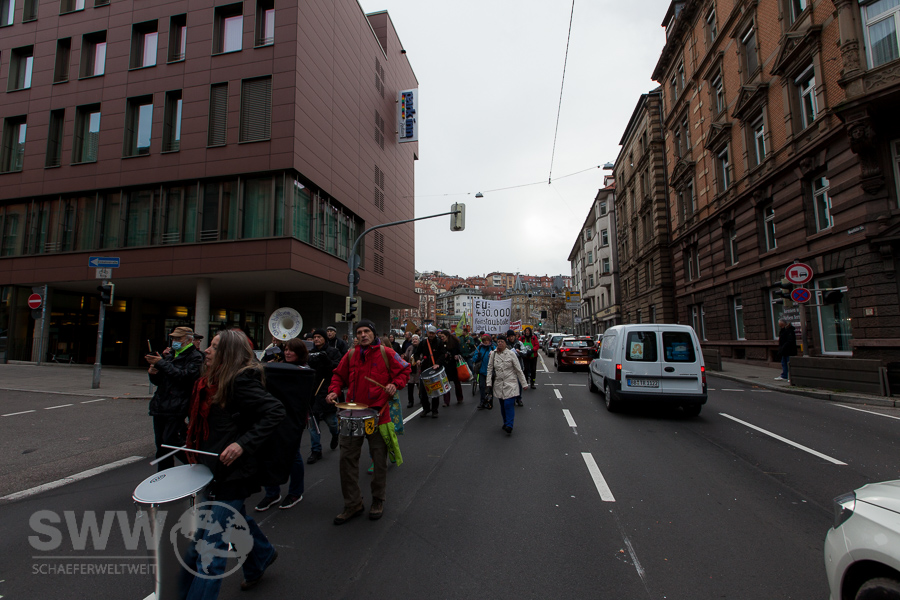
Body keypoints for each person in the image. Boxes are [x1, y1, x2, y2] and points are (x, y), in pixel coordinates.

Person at [182, 329, 284, 596]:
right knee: (234, 520)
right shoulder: (209, 380)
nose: (207, 350)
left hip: (234, 473)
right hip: (212, 468)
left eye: (215, 347)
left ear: (228, 354)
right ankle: (261, 556)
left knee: (210, 548)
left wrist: (242, 444)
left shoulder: (240, 382)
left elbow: (275, 411)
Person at [326, 320, 410, 524]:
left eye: (366, 331)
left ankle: (378, 500)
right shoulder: (351, 354)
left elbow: (405, 370)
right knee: (347, 460)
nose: (363, 335)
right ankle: (353, 504)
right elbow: (338, 376)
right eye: (359, 332)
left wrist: (395, 384)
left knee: (379, 461)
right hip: (353, 415)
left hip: (378, 415)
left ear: (373, 334)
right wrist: (334, 390)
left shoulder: (386, 353)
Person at [255, 338, 310, 511]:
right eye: (286, 349)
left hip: (293, 419)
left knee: (293, 455)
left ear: (300, 352)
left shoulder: (304, 371)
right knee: (269, 452)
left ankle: (295, 492)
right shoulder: (276, 366)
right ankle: (272, 493)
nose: (287, 352)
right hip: (273, 417)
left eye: (291, 350)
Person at [145, 326, 204, 472]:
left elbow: (184, 377)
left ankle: (195, 466)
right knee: (161, 444)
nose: (175, 341)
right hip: (161, 404)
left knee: (170, 441)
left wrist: (162, 363)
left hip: (178, 405)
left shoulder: (195, 357)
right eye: (173, 338)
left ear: (189, 340)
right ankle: (164, 474)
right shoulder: (171, 355)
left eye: (178, 338)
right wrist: (153, 373)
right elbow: (161, 381)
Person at [306, 329, 342, 464]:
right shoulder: (310, 353)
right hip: (312, 392)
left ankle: (335, 434)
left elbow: (338, 368)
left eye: (319, 337)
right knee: (313, 425)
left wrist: (327, 360)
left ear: (324, 338)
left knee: (331, 421)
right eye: (314, 337)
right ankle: (316, 450)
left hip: (327, 390)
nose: (316, 339)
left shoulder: (333, 352)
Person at [486, 336, 527, 436]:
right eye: (498, 341)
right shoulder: (493, 354)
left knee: (508, 404)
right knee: (503, 405)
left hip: (510, 383)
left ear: (505, 343)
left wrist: (524, 383)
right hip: (499, 383)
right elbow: (490, 369)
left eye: (502, 341)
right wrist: (488, 383)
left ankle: (509, 425)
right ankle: (505, 422)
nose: (500, 343)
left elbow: (518, 370)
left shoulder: (511, 354)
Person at [414, 325, 447, 417]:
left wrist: (438, 363)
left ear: (435, 333)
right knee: (423, 392)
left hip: (435, 369)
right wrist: (418, 360)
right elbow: (416, 353)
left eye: (433, 333)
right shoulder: (423, 342)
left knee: (435, 391)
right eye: (430, 333)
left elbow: (443, 354)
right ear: (427, 333)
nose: (431, 335)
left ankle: (434, 410)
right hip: (425, 370)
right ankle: (426, 409)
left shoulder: (439, 342)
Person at [439, 330, 465, 405]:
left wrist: (457, 355)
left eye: (443, 336)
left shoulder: (455, 342)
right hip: (445, 366)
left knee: (457, 383)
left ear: (447, 336)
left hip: (454, 365)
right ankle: (446, 401)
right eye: (441, 337)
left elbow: (459, 352)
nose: (442, 338)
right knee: (446, 383)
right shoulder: (441, 343)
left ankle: (459, 398)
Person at [471, 334, 496, 409]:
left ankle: (489, 402)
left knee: (490, 387)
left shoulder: (493, 347)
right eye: (484, 340)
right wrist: (478, 356)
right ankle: (482, 401)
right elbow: (474, 359)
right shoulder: (479, 347)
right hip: (482, 370)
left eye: (487, 340)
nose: (486, 342)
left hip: (490, 371)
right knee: (482, 386)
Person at [506, 329, 526, 406]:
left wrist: (519, 352)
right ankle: (512, 398)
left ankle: (519, 398)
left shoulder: (519, 343)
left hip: (518, 366)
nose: (511, 338)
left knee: (519, 383)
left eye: (512, 336)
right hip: (508, 367)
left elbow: (524, 352)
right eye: (509, 336)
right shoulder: (505, 344)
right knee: (510, 384)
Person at [403, 334, 420, 408]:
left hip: (418, 369)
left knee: (420, 386)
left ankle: (422, 398)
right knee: (410, 387)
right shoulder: (410, 348)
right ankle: (410, 401)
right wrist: (404, 357)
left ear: (418, 340)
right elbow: (406, 357)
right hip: (411, 370)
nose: (414, 340)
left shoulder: (420, 347)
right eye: (413, 339)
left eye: (416, 339)